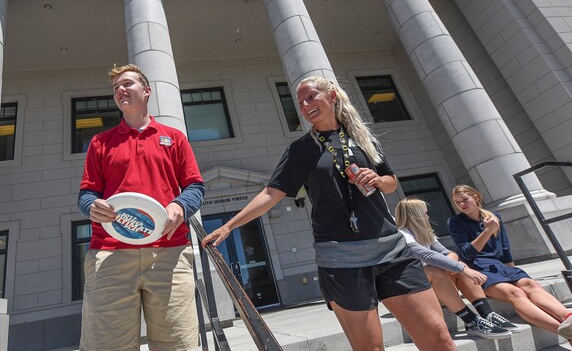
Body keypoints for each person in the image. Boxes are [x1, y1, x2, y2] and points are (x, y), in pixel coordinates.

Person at [203, 75, 456, 351]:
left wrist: (377, 180)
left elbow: (391, 182)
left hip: (391, 251)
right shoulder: (301, 149)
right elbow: (270, 194)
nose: (305, 104)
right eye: (300, 102)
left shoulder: (362, 137)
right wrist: (229, 226)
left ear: (332, 96)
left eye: (311, 96)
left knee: (439, 339)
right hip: (341, 259)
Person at [76, 64, 205, 351]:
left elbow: (196, 187)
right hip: (110, 255)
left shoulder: (175, 137)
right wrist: (91, 207)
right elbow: (86, 194)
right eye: (115, 88)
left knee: (179, 345)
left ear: (146, 91)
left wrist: (180, 206)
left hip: (169, 254)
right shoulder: (99, 143)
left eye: (127, 84)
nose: (120, 90)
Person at [448, 184, 572, 342]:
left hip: (500, 266)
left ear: (476, 197)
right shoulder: (455, 222)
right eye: (457, 202)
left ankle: (568, 317)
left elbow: (505, 249)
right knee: (516, 293)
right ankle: (566, 333)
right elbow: (467, 253)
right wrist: (488, 231)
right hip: (478, 268)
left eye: (465, 200)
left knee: (530, 284)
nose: (462, 205)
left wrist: (511, 274)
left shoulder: (494, 216)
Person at [395, 197, 517, 339]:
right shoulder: (402, 235)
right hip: (412, 292)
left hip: (432, 287)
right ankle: (470, 320)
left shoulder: (424, 233)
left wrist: (456, 265)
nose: (427, 216)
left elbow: (447, 253)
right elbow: (428, 256)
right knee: (437, 269)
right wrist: (461, 268)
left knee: (457, 264)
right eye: (424, 213)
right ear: (414, 215)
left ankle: (487, 313)